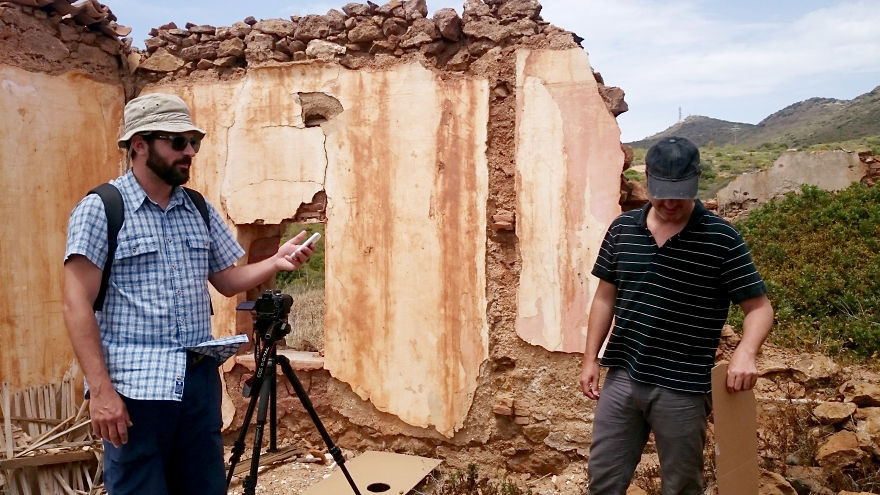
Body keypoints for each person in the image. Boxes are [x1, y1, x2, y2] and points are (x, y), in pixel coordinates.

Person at [63, 93, 315, 494]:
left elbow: (226, 280)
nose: (190, 152)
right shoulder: (102, 208)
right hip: (134, 392)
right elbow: (75, 304)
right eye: (178, 142)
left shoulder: (197, 207)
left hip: (197, 385)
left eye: (194, 141)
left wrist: (276, 262)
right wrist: (102, 392)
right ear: (140, 144)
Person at [579, 136, 774, 494]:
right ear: (648, 179)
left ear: (697, 180)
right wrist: (590, 358)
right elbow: (605, 298)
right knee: (603, 479)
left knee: (681, 486)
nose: (670, 202)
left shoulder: (722, 238)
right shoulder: (622, 229)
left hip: (683, 387)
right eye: (662, 192)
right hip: (623, 375)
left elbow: (759, 308)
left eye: (680, 193)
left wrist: (745, 352)